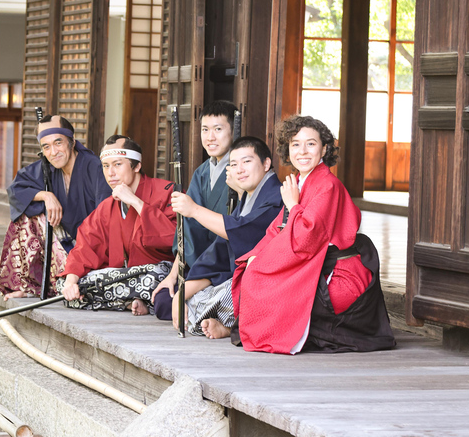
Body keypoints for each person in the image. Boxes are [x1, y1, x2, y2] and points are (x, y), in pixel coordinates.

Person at [231, 115, 395, 354]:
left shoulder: (327, 184)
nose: (303, 151)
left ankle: (268, 332)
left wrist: (293, 206)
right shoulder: (299, 181)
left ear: (324, 148)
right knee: (252, 270)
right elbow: (274, 230)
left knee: (266, 282)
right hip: (313, 264)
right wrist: (258, 255)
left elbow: (307, 238)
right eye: (295, 144)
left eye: (311, 143)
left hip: (338, 273)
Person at [154, 137, 283, 338]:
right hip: (230, 279)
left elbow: (241, 232)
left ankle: (230, 328)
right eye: (233, 164)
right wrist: (182, 292)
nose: (239, 169)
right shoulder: (250, 196)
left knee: (213, 303)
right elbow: (220, 252)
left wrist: (195, 210)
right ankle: (221, 322)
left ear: (266, 163)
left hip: (265, 285)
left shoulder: (276, 197)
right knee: (167, 301)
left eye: (247, 161)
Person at [0, 115, 111, 299]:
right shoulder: (48, 168)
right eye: (46, 147)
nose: (53, 152)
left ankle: (64, 284)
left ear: (71, 142)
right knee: (27, 215)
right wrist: (46, 196)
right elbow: (16, 190)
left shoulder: (94, 168)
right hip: (65, 248)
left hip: (94, 252)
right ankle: (31, 285)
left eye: (58, 143)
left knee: (86, 284)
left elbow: (106, 221)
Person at [56, 135, 176, 315]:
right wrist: (71, 281)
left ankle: (129, 300)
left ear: (136, 166)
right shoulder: (108, 206)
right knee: (64, 285)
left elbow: (173, 239)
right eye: (105, 166)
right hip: (123, 277)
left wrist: (136, 203)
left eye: (117, 164)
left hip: (156, 272)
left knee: (154, 276)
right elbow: (85, 246)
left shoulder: (167, 191)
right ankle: (129, 303)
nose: (110, 173)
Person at [152, 100, 237, 319]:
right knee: (163, 301)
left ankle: (199, 307)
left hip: (225, 265)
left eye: (218, 129)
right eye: (205, 130)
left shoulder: (241, 171)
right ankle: (195, 306)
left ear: (233, 131)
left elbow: (236, 228)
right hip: (200, 263)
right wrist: (173, 275)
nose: (210, 137)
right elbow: (187, 228)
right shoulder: (201, 173)